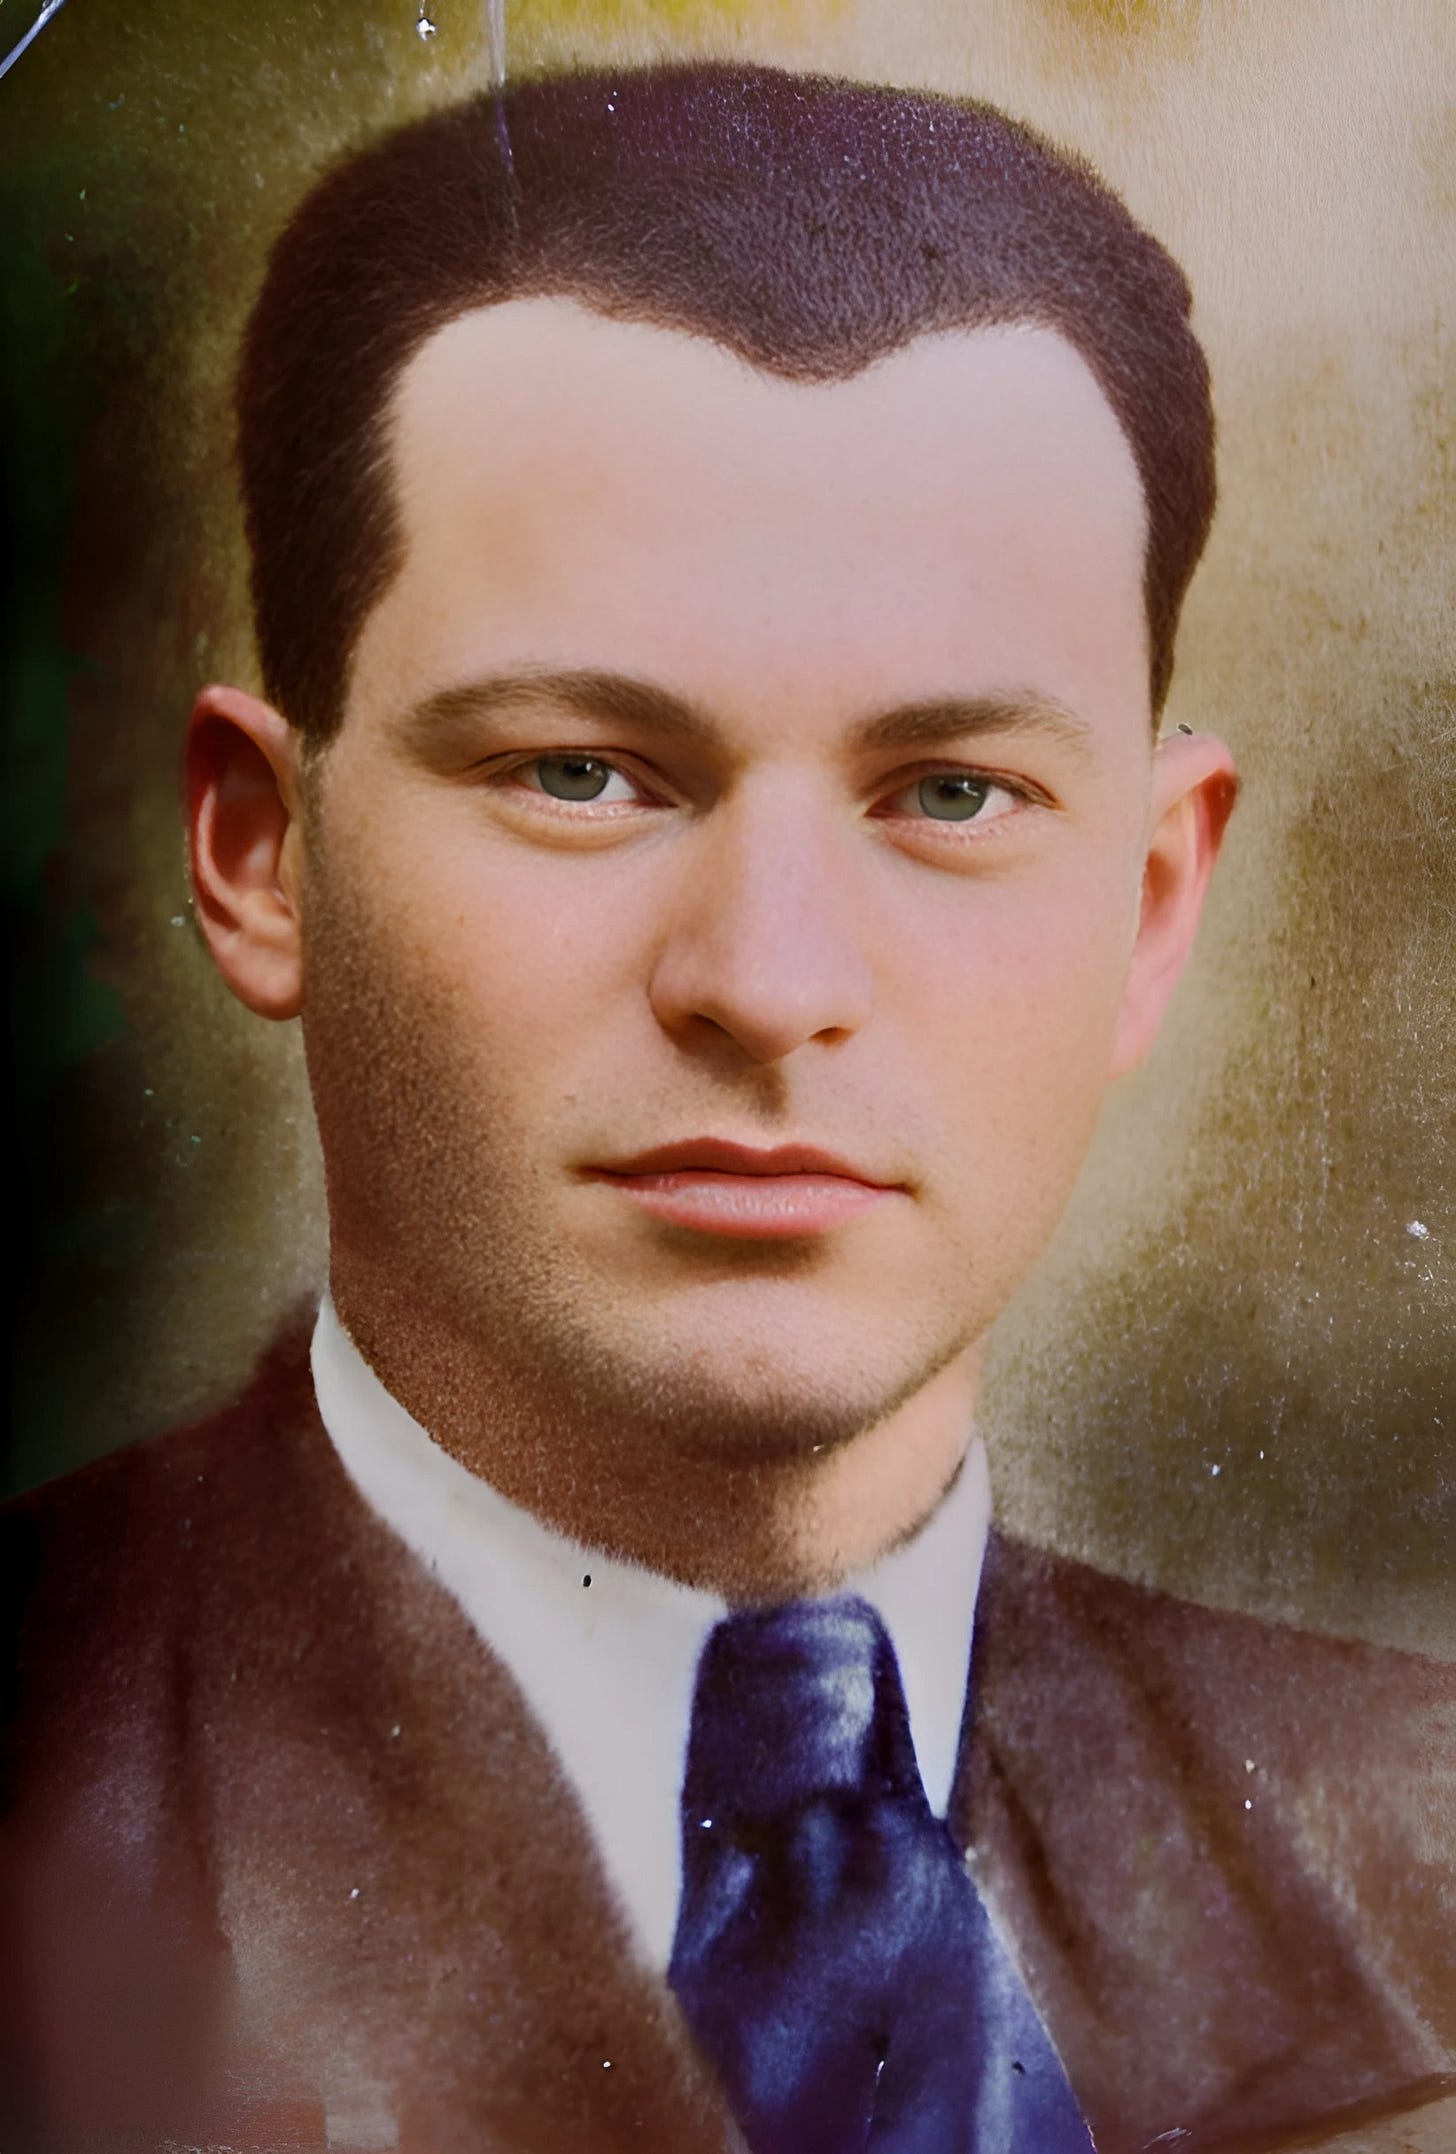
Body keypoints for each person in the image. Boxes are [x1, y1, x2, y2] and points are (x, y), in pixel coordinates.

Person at [3, 59, 1452, 2154]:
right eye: (579, 773)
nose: (768, 985)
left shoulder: (1418, 1849)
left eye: (949, 794)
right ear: (259, 851)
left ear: (1150, 905)